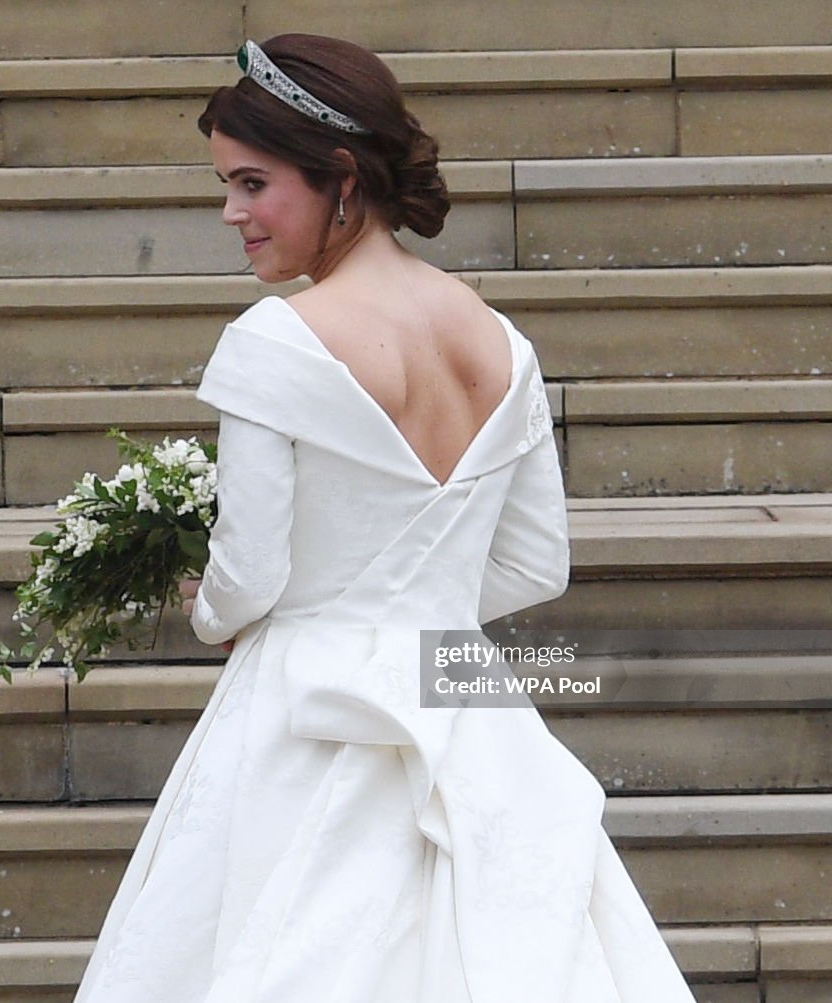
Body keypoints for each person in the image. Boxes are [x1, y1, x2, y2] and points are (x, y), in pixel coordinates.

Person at [72, 34, 697, 1002]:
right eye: (227, 186)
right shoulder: (506, 346)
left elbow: (251, 578)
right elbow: (537, 564)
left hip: (303, 710)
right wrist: (419, 605)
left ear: (344, 179)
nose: (231, 212)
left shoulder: (272, 342)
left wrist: (209, 606)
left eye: (252, 183)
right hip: (461, 694)